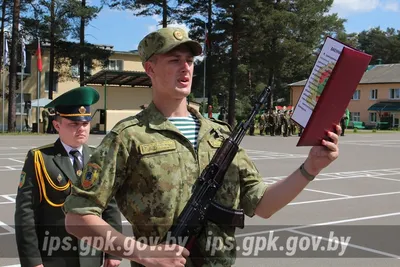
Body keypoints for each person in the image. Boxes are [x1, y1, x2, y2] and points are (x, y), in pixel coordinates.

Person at [62, 27, 341, 267]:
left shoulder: (220, 136)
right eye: (174, 60)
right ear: (150, 68)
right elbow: (77, 217)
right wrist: (142, 252)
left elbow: (263, 204)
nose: (185, 68)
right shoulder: (129, 136)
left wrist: (310, 167)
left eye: (189, 60)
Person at [14, 86, 122, 267]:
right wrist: (32, 261)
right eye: (74, 124)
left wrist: (113, 252)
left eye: (85, 124)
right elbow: (26, 215)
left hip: (91, 256)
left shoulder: (99, 158)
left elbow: (110, 208)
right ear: (57, 125)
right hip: (54, 256)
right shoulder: (40, 158)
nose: (81, 129)